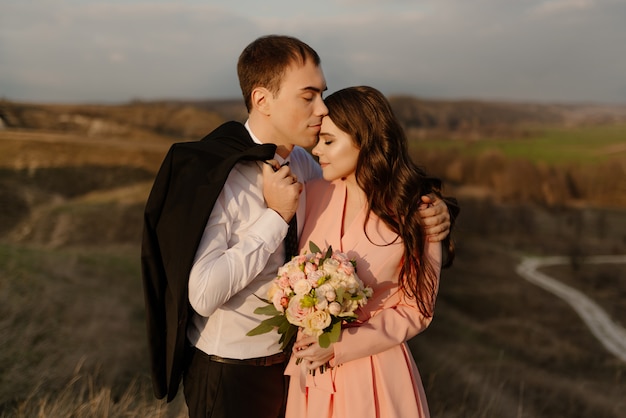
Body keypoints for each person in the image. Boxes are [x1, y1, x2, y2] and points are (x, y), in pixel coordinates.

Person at [141, 36, 454, 418]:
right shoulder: (223, 176)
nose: (322, 109)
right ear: (262, 100)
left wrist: (433, 211)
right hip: (230, 372)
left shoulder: (310, 168)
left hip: (292, 372)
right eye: (308, 97)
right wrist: (274, 217)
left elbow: (375, 192)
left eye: (322, 94)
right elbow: (202, 295)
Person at [284, 86, 455, 418]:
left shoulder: (417, 213)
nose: (317, 150)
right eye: (319, 139)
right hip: (309, 375)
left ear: (365, 140)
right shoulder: (309, 194)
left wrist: (341, 345)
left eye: (329, 141)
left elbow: (417, 309)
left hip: (375, 371)